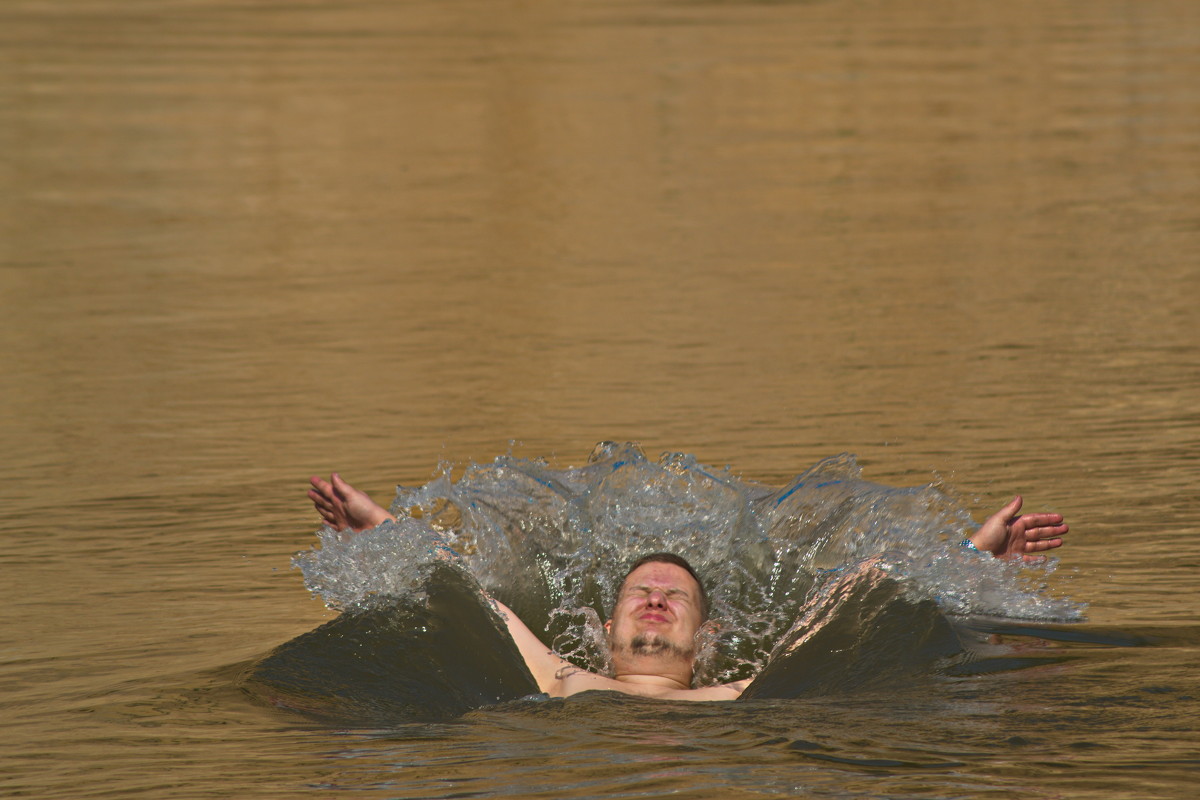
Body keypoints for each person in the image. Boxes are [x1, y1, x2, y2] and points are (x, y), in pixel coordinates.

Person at [307, 473, 1069, 701]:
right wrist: (381, 527)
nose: (656, 599)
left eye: (674, 599)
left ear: (707, 641)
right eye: (640, 593)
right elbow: (468, 597)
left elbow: (861, 600)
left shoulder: (741, 695)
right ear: (600, 630)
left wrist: (969, 555)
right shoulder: (557, 677)